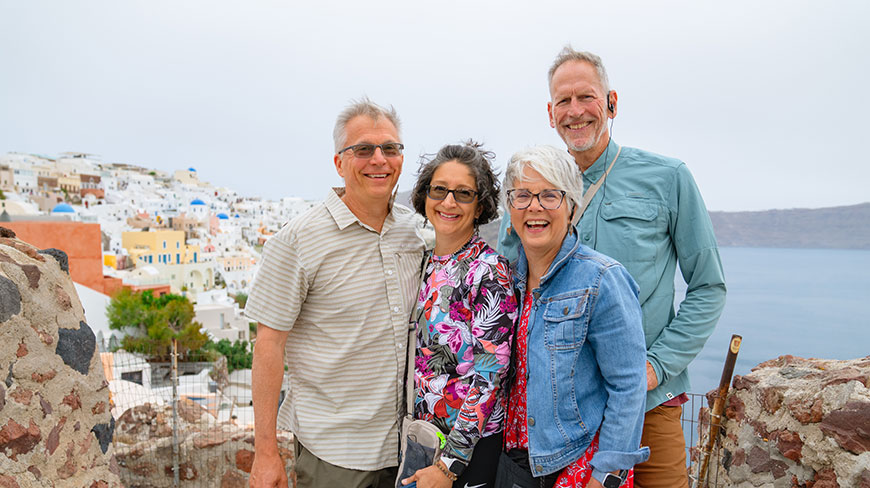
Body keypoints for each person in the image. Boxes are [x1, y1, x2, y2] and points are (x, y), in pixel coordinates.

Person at [498, 47, 727, 488]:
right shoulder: (531, 191)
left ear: (612, 103)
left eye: (587, 97)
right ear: (550, 113)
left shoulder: (667, 177)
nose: (575, 110)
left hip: (647, 403)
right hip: (558, 416)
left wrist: (657, 366)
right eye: (563, 101)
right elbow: (513, 286)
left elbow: (709, 287)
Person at [246, 98, 426, 488]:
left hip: (408, 454)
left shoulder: (416, 232)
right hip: (336, 456)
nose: (379, 159)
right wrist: (265, 453)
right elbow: (268, 345)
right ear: (339, 162)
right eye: (363, 149)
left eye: (390, 148)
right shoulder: (297, 241)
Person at [497, 145, 648, 488]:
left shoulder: (602, 279)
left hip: (576, 467)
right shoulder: (507, 280)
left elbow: (628, 385)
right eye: (522, 195)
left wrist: (606, 474)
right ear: (510, 207)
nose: (534, 206)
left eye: (550, 195)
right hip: (516, 464)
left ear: (572, 206)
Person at [400, 142, 517, 488]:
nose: (448, 202)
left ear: (480, 205)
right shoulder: (424, 261)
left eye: (463, 193)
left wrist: (450, 464)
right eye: (440, 190)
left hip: (467, 453)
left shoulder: (488, 271)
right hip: (423, 439)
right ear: (425, 196)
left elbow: (489, 376)